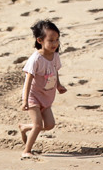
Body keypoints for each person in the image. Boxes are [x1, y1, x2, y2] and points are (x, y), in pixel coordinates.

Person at [18, 19, 67, 158]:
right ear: (40, 40)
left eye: (57, 39)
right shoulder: (36, 59)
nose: (55, 43)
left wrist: (58, 85)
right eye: (51, 40)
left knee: (50, 125)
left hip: (46, 97)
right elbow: (28, 80)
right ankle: (26, 151)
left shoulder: (55, 56)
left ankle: (25, 127)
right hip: (33, 96)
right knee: (38, 125)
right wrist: (25, 100)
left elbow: (55, 71)